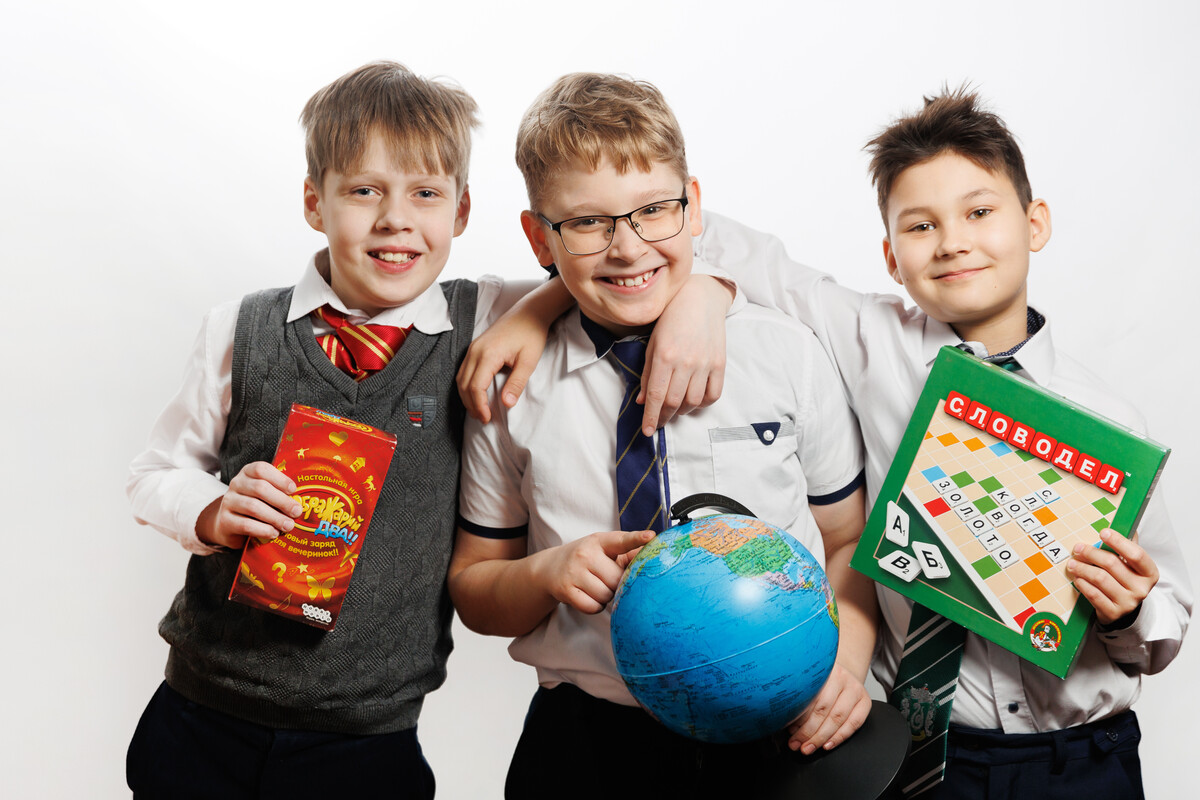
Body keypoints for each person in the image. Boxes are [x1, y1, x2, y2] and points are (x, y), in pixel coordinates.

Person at [125, 60, 730, 798]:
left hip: (370, 736)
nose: (395, 220)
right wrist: (213, 511)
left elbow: (624, 264)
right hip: (200, 712)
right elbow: (154, 473)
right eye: (363, 191)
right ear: (315, 202)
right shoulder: (239, 329)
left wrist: (704, 294)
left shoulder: (486, 315)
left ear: (462, 210)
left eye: (426, 194)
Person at [688, 89, 1193, 798]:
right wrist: (703, 292)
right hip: (918, 753)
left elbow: (1166, 623)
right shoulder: (871, 342)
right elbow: (708, 236)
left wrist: (1131, 610)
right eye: (921, 226)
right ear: (891, 258)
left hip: (1079, 760)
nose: (953, 241)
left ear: (1035, 223)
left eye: (979, 212)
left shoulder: (1110, 424)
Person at [447, 72, 877, 799]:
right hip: (587, 741)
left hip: (782, 722)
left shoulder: (785, 353)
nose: (628, 247)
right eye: (588, 223)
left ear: (693, 205)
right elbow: (474, 588)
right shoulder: (515, 384)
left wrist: (848, 662)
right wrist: (544, 573)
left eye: (653, 210)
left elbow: (849, 540)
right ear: (539, 236)